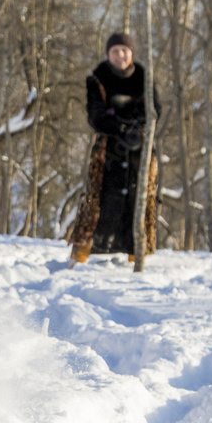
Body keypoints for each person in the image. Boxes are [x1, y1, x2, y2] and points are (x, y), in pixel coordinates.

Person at [70, 32, 161, 265]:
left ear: (131, 52)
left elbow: (153, 110)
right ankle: (82, 252)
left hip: (140, 149)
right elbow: (96, 115)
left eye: (124, 50)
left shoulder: (144, 78)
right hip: (107, 151)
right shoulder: (97, 79)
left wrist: (137, 130)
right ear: (108, 54)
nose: (120, 55)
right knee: (98, 199)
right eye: (115, 51)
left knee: (138, 199)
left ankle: (137, 253)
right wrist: (120, 129)